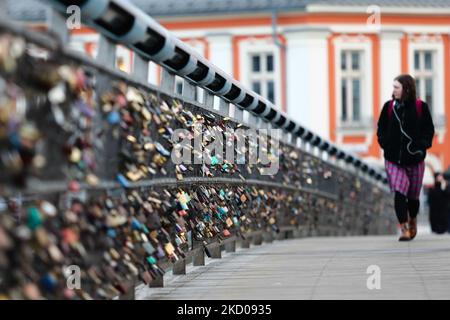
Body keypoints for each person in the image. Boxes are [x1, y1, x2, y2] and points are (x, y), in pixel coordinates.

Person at [377, 74, 435, 241]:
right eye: (393, 87)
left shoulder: (420, 107)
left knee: (413, 197)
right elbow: (381, 128)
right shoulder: (389, 107)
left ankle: (412, 219)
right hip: (393, 159)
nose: (393, 90)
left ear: (406, 89)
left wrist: (421, 147)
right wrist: (385, 144)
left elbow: (428, 131)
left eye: (396, 87)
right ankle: (404, 228)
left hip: (415, 160)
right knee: (399, 191)